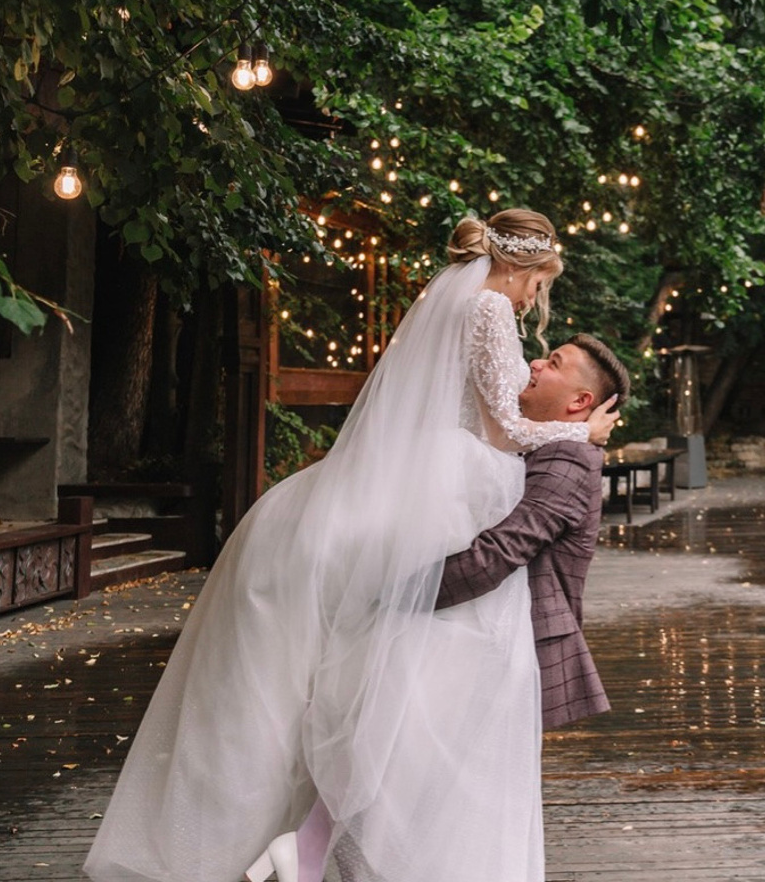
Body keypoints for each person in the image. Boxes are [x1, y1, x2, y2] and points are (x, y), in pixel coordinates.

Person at [84, 210, 620, 882]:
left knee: (381, 671)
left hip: (430, 474)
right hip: (452, 483)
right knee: (416, 669)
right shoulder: (487, 310)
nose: (535, 301)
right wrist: (579, 438)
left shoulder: (469, 306)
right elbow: (507, 426)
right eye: (538, 282)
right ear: (520, 267)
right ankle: (342, 844)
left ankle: (311, 841)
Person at [437, 332, 631, 732]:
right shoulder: (538, 444)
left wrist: (395, 596)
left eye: (554, 363)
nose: (536, 364)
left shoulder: (569, 458)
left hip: (511, 646)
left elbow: (498, 554)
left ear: (580, 402)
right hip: (477, 631)